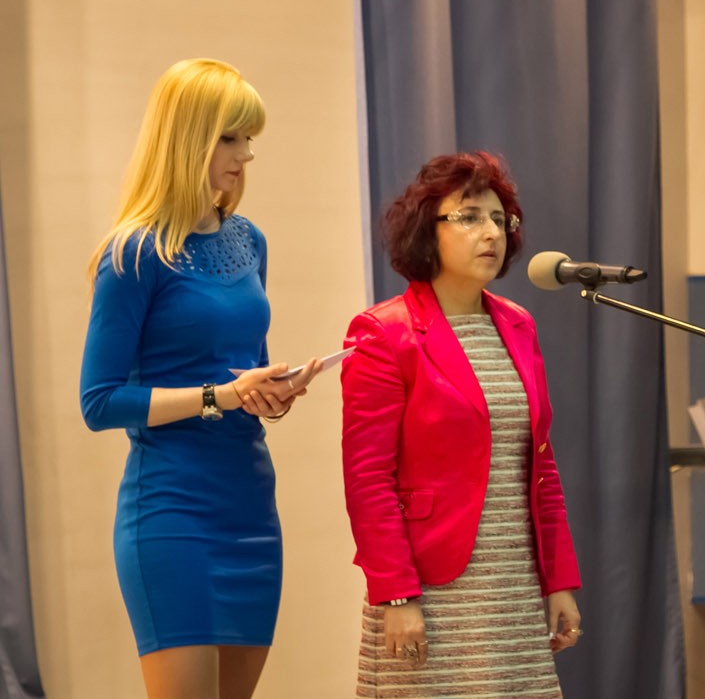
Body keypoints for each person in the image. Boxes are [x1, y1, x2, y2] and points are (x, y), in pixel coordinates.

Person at [80, 58, 322, 699]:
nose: (246, 154)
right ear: (187, 138)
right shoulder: (134, 253)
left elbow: (242, 371)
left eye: (249, 138)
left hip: (250, 504)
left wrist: (269, 394)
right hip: (172, 512)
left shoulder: (250, 241)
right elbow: (100, 402)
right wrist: (221, 396)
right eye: (230, 138)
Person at [341, 151, 582, 697]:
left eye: (499, 219)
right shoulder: (383, 333)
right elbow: (367, 481)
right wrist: (396, 594)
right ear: (427, 230)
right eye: (469, 217)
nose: (491, 232)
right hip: (429, 587)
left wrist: (559, 581)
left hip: (514, 584)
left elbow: (540, 468)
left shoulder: (517, 324)